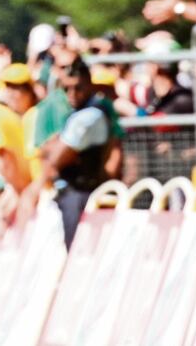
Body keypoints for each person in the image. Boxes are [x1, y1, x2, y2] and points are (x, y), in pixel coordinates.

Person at [41, 57, 118, 249]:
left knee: (75, 255)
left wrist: (55, 146)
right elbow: (46, 149)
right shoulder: (80, 113)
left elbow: (54, 160)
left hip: (80, 195)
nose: (72, 94)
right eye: (66, 88)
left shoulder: (88, 116)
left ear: (90, 85)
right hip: (73, 192)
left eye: (78, 87)